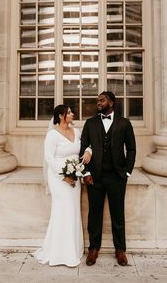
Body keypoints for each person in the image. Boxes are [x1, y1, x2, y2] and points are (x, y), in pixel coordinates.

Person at [80, 91, 136, 266]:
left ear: (111, 103)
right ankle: (93, 249)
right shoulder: (90, 123)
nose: (99, 102)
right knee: (94, 214)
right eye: (98, 100)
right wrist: (86, 173)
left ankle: (120, 250)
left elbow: (131, 149)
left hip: (117, 177)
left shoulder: (124, 123)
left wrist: (127, 172)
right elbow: (83, 148)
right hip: (95, 177)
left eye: (102, 100)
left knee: (117, 214)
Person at [33, 104, 91, 267]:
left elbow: (85, 146)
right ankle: (59, 252)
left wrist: (88, 152)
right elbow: (49, 158)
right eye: (69, 112)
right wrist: (64, 175)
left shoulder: (77, 131)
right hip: (59, 178)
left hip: (75, 176)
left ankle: (73, 249)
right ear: (60, 116)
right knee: (62, 210)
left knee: (73, 210)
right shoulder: (52, 135)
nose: (72, 114)